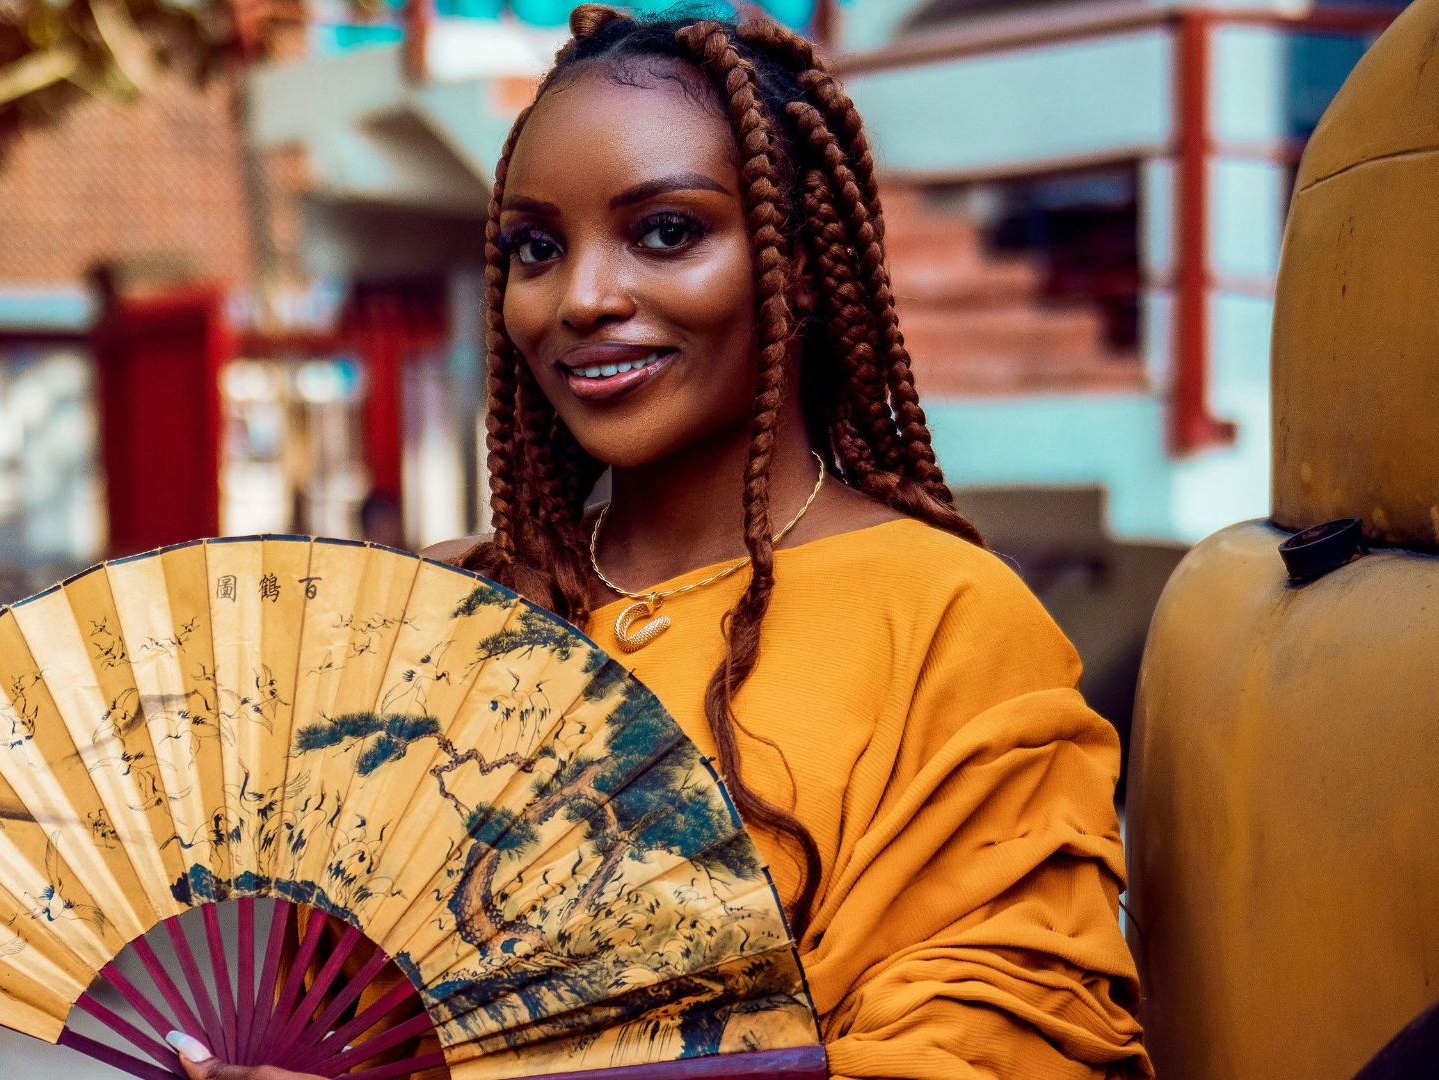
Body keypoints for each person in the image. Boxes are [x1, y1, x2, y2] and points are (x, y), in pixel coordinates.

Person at [169, 5, 1149, 1077]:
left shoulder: (948, 622)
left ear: (803, 266)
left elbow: (995, 1050)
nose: (580, 298)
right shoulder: (463, 611)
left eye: (666, 232)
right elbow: (340, 1013)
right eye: (536, 249)